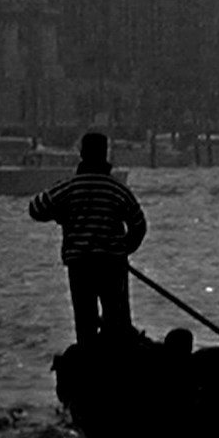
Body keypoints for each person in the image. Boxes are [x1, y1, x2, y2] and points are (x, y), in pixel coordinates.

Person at [28, 130, 147, 343]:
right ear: (105, 154)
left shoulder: (69, 187)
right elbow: (138, 225)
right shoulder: (118, 189)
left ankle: (88, 360)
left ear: (82, 154)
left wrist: (60, 214)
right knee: (114, 319)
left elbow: (36, 208)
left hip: (80, 264)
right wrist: (123, 248)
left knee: (85, 321)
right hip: (111, 264)